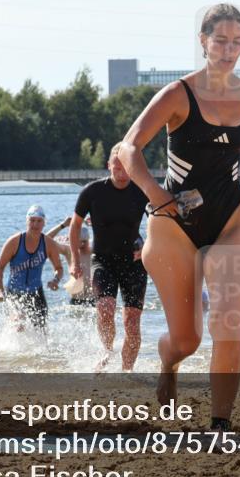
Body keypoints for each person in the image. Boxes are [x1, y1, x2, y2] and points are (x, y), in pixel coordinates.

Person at [119, 3, 240, 431]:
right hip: (173, 223)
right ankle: (168, 364)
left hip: (231, 216)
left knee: (228, 321)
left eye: (237, 42)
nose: (229, 50)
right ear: (203, 41)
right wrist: (157, 196)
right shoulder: (178, 94)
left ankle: (221, 425)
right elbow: (128, 148)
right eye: (221, 41)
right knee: (187, 340)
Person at [70, 143, 149, 371]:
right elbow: (75, 226)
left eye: (125, 167)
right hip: (103, 261)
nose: (121, 172)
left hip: (134, 262)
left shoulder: (142, 190)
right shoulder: (92, 192)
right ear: (109, 166)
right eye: (116, 167)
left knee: (131, 321)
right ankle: (106, 350)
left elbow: (160, 220)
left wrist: (147, 247)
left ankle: (127, 372)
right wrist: (75, 260)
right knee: (105, 308)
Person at [0, 205, 64, 329]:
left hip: (36, 293)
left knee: (42, 331)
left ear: (44, 223)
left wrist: (56, 280)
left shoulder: (49, 244)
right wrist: (0, 289)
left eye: (39, 221)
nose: (35, 224)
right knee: (18, 323)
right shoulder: (14, 242)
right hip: (14, 292)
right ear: (27, 221)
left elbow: (59, 268)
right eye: (32, 220)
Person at [47, 216, 95, 306]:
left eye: (85, 242)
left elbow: (113, 238)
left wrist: (96, 224)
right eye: (80, 241)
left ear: (88, 240)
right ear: (74, 241)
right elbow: (45, 240)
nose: (82, 244)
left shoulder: (93, 249)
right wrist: (63, 225)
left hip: (93, 300)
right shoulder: (68, 251)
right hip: (75, 300)